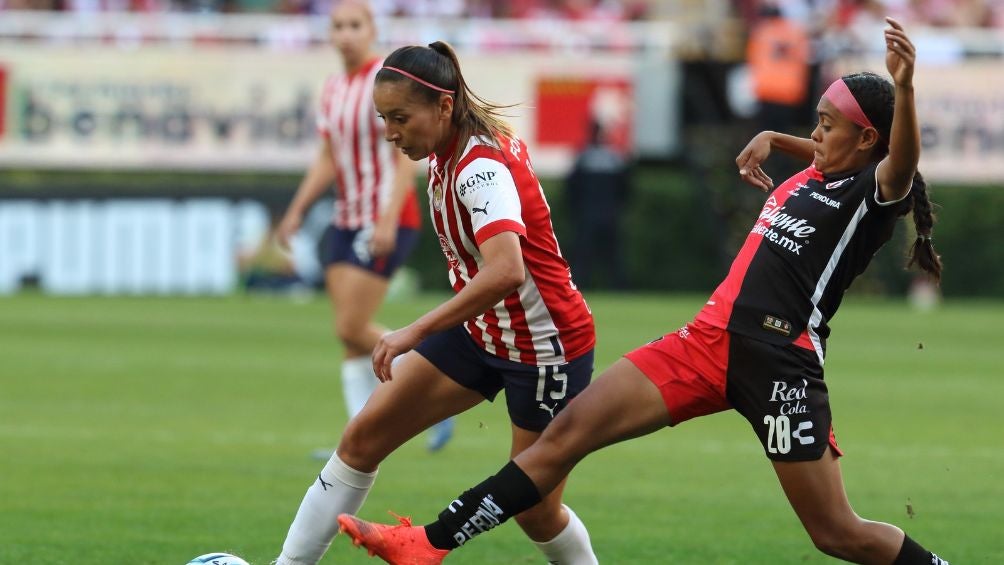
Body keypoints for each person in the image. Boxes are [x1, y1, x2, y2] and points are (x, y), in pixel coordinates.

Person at [337, 18, 950, 565]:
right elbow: (824, 152)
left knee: (837, 534)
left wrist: (905, 88)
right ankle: (430, 543)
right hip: (704, 343)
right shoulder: (819, 171)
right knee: (563, 437)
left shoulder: (872, 194)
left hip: (779, 363)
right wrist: (775, 138)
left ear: (868, 140)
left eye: (826, 125)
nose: (814, 134)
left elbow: (901, 159)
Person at [274, 39, 600, 565]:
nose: (390, 132)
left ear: (444, 105)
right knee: (361, 438)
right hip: (482, 331)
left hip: (545, 349)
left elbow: (506, 270)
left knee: (535, 510)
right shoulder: (448, 149)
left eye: (400, 117)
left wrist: (413, 330)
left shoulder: (478, 167)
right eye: (383, 118)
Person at [275, 0, 454, 451]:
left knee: (353, 326)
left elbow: (403, 156)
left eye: (355, 25)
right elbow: (328, 155)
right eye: (338, 26)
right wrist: (297, 208)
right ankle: (358, 438)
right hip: (345, 217)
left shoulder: (386, 86)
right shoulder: (334, 88)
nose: (346, 34)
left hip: (380, 216)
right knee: (349, 335)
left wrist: (389, 219)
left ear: (372, 29)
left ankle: (442, 378)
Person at [564, 120, 632, 290]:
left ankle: (577, 288)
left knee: (583, 254)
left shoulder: (583, 156)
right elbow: (625, 188)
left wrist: (576, 209)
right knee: (613, 256)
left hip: (587, 214)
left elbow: (571, 188)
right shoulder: (614, 157)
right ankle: (620, 289)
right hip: (609, 214)